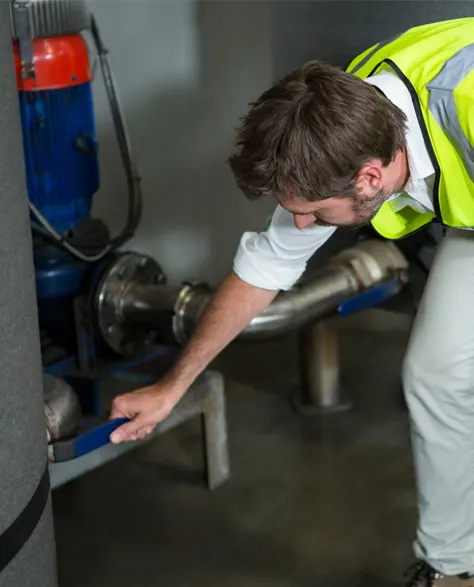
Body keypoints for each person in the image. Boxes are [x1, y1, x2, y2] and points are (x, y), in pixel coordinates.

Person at [109, 17, 474, 587]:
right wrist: (172, 385)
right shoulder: (343, 125)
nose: (301, 222)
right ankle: (455, 570)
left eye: (313, 211)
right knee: (436, 373)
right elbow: (265, 267)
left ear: (370, 178)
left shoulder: (464, 109)